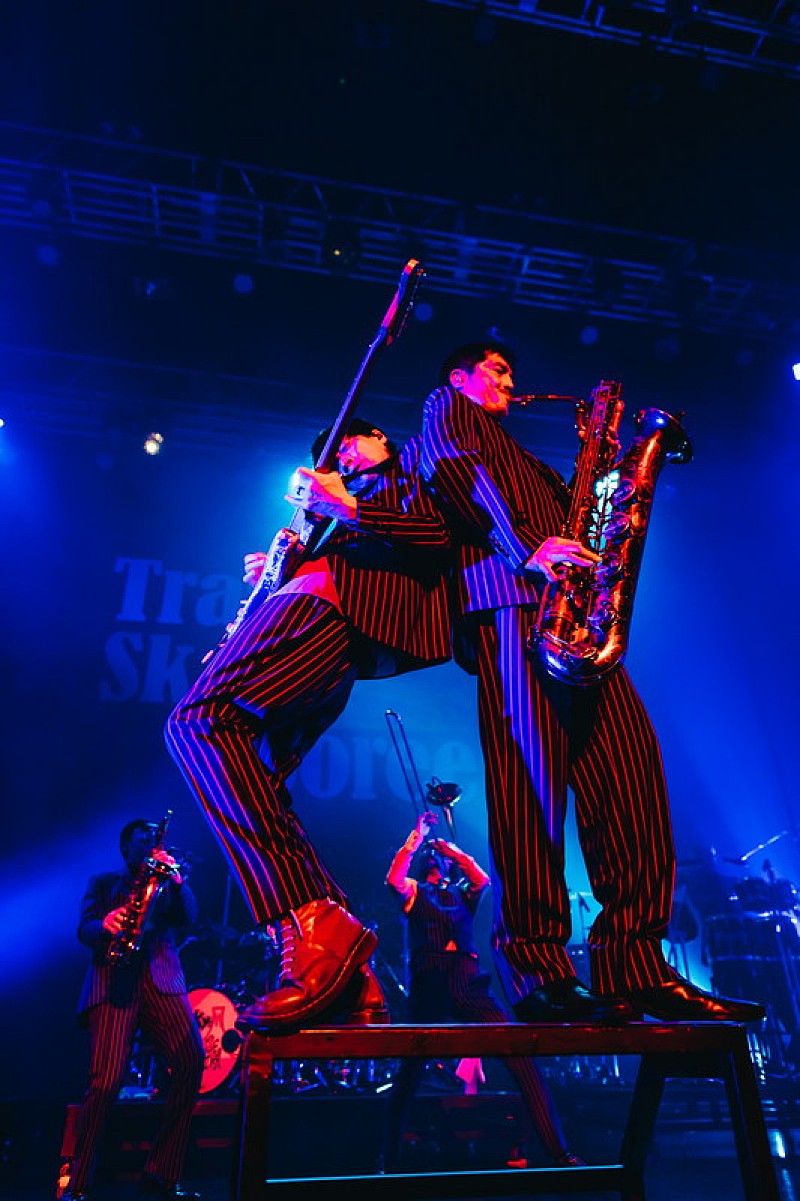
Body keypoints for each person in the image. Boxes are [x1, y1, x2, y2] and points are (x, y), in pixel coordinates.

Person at [420, 339, 765, 1024]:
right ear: (460, 377)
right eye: (497, 370)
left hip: (577, 624)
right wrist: (526, 546)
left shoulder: (528, 460)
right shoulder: (447, 409)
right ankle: (536, 970)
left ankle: (635, 964)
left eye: (511, 371)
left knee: (634, 774)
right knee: (531, 792)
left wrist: (607, 484)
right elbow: (455, 471)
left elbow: (589, 522)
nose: (510, 380)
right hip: (513, 609)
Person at [165, 418, 451, 1029]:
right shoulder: (338, 510)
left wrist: (342, 510)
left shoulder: (410, 474)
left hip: (324, 615)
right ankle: (348, 971)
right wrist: (279, 570)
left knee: (199, 723)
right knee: (255, 774)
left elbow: (437, 534)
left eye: (352, 439)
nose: (341, 452)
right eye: (331, 449)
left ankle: (312, 921)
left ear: (384, 440)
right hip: (318, 617)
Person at [380, 812, 583, 1172]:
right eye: (433, 858)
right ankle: (389, 1160)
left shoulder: (462, 894)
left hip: (469, 979)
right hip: (430, 981)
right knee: (410, 1072)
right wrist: (417, 837)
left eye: (439, 858)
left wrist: (454, 851)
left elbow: (482, 878)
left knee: (520, 1055)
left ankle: (559, 1153)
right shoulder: (415, 891)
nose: (436, 860)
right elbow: (393, 878)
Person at [61, 819, 205, 1201]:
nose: (149, 846)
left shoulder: (168, 881)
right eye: (142, 841)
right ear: (125, 848)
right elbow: (84, 928)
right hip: (114, 980)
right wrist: (106, 924)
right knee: (106, 1083)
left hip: (162, 980)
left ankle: (163, 1173)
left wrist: (177, 882)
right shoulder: (104, 883)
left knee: (191, 1062)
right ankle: (78, 1183)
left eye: (154, 840)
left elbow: (189, 917)